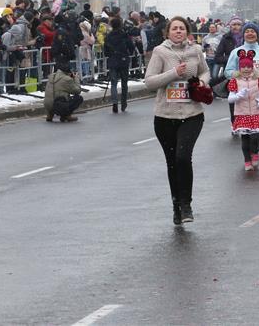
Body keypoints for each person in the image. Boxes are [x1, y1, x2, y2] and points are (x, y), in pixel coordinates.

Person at [144, 16, 210, 225]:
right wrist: (173, 73)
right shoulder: (160, 52)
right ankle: (176, 206)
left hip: (191, 114)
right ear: (168, 32)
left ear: (187, 31)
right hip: (165, 116)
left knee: (183, 157)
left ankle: (187, 203)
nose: (179, 31)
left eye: (182, 28)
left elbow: (205, 71)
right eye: (175, 29)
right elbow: (150, 82)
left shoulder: (195, 51)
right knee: (172, 163)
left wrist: (201, 81)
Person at [224, 22, 259, 132]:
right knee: (244, 127)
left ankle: (256, 147)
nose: (250, 34)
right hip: (241, 94)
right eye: (247, 31)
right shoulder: (236, 52)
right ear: (243, 34)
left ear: (257, 34)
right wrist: (239, 76)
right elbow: (228, 71)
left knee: (258, 123)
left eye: (253, 31)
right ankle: (247, 147)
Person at [227, 52, 259, 170]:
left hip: (256, 112)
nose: (246, 69)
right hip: (242, 114)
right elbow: (230, 99)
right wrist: (238, 95)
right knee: (245, 139)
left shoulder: (258, 79)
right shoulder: (235, 81)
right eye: (243, 67)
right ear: (239, 68)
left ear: (252, 67)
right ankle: (247, 160)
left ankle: (255, 153)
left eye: (248, 66)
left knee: (255, 137)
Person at [214, 16, 244, 122]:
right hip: (232, 74)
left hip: (247, 73)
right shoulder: (225, 38)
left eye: (238, 24)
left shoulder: (247, 37)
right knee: (233, 99)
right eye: (234, 25)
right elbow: (217, 57)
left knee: (246, 98)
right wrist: (232, 57)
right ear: (230, 26)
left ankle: (246, 122)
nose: (236, 27)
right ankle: (234, 122)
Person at [104, 16, 134, 113]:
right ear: (120, 25)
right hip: (123, 61)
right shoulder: (124, 35)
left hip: (113, 61)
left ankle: (115, 103)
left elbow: (106, 51)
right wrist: (128, 53)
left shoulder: (108, 36)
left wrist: (111, 55)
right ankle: (123, 103)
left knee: (113, 83)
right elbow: (131, 47)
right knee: (124, 83)